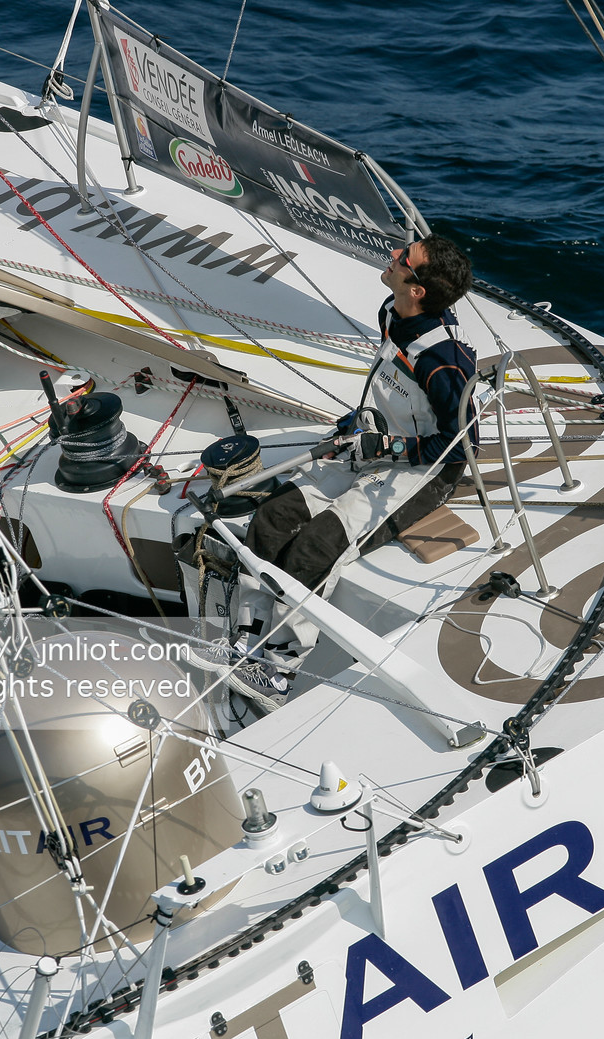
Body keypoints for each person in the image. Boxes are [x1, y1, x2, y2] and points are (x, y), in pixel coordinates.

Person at [193, 234, 479, 709]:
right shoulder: (392, 312)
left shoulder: (442, 359)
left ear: (418, 290)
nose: (392, 257)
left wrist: (391, 445)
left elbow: (462, 445)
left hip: (419, 474)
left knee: (316, 546)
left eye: (403, 259)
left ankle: (280, 670)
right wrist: (364, 424)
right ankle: (245, 644)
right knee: (271, 519)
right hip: (370, 448)